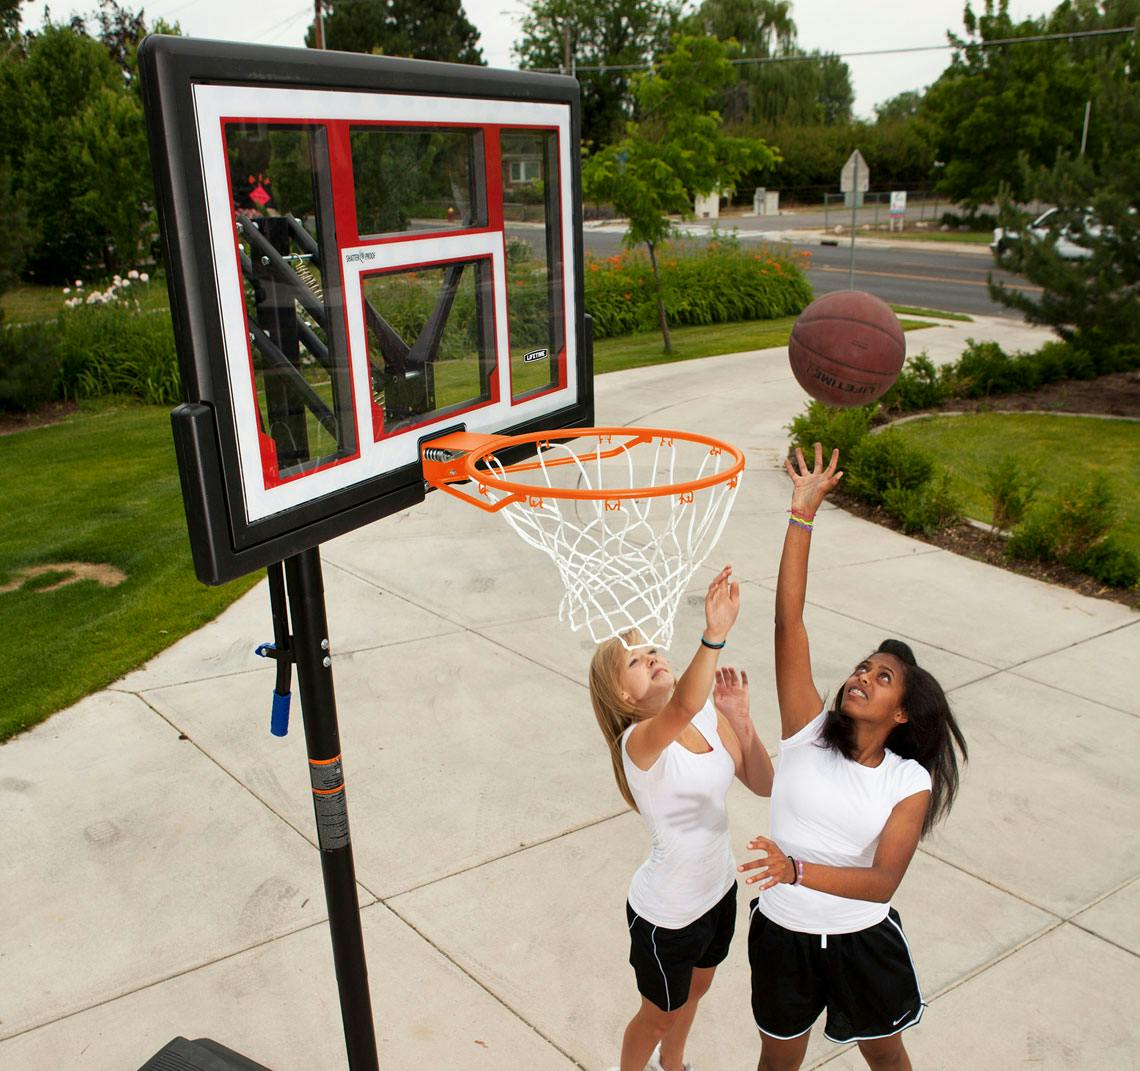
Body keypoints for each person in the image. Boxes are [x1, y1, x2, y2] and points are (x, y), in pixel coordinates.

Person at [740, 444, 968, 1071]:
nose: (863, 675)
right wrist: (801, 515)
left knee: (886, 1054)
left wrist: (797, 870)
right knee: (779, 1057)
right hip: (782, 932)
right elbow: (789, 623)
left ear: (902, 714)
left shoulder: (907, 781)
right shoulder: (805, 731)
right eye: (864, 667)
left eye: (884, 676)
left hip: (858, 939)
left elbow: (881, 885)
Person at [590, 566, 774, 1071]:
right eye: (635, 659)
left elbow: (763, 782)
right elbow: (687, 698)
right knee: (658, 1015)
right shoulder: (639, 743)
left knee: (697, 990)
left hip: (717, 891)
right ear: (624, 696)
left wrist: (742, 723)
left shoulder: (705, 715)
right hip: (666, 914)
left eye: (653, 650)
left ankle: (673, 1066)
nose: (651, 657)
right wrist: (713, 633)